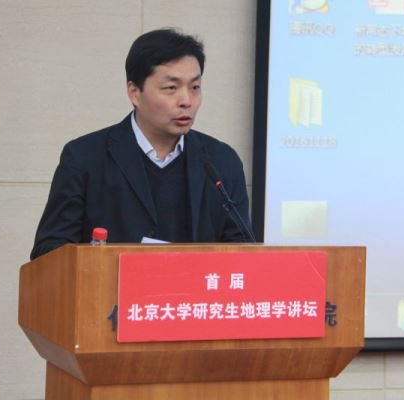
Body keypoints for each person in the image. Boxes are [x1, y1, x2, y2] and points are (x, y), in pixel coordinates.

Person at [30, 28, 251, 260]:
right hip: (109, 285)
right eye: (171, 88)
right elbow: (49, 252)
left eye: (194, 87)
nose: (186, 101)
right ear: (134, 93)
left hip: (195, 286)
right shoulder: (85, 157)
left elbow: (243, 250)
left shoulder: (221, 161)